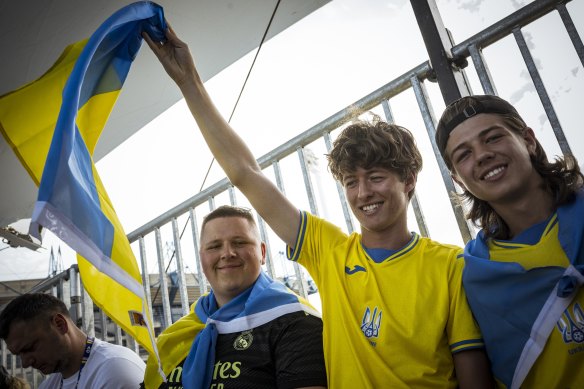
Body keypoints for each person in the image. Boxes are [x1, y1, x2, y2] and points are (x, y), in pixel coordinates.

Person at [143, 25, 495, 388]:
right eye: (350, 182)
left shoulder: (450, 265)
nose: (363, 193)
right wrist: (190, 83)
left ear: (408, 181)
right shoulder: (330, 251)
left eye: (375, 177)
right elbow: (245, 173)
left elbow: (472, 373)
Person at [435, 94, 584, 388]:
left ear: (528, 139)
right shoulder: (474, 273)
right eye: (464, 154)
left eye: (492, 138)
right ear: (457, 179)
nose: (481, 155)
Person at [142, 205, 327, 389]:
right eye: (214, 246)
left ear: (262, 253)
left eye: (239, 243)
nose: (227, 253)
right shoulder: (176, 335)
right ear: (202, 258)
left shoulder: (294, 320)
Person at [0, 293, 146, 389]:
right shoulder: (51, 384)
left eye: (30, 348)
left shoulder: (115, 371)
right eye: (19, 354)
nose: (25, 363)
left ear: (60, 324)